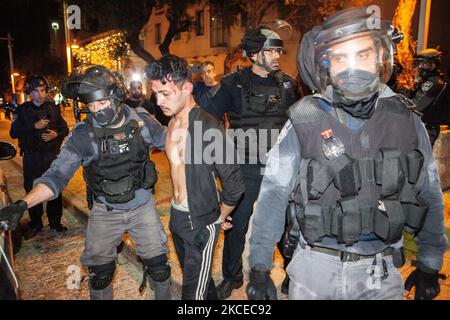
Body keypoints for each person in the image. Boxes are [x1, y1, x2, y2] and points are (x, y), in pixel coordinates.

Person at [247, 7, 448, 300]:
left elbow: (428, 192)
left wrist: (430, 262)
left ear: (380, 57)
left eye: (362, 55)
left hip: (379, 272)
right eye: (341, 57)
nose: (352, 67)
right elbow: (273, 194)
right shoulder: (304, 120)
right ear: (327, 65)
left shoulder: (405, 120)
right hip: (316, 269)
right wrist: (260, 266)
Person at [1, 65, 171, 300]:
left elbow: (174, 143)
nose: (96, 110)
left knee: (160, 268)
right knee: (100, 273)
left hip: (142, 207)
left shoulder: (140, 120)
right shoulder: (83, 134)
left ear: (116, 98)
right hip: (105, 211)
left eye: (101, 103)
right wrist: (22, 204)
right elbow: (56, 176)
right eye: (90, 106)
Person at [205, 20, 299, 299]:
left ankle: (293, 274)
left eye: (279, 52)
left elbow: (302, 122)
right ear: (254, 53)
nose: (277, 57)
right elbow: (208, 122)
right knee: (237, 224)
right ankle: (232, 277)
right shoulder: (232, 84)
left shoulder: (289, 84)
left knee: (287, 224)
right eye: (271, 52)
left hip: (280, 167)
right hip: (244, 166)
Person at [146, 55, 245, 300]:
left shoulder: (208, 127)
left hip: (201, 221)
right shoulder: (170, 123)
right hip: (177, 216)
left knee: (193, 296)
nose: (159, 101)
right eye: (156, 93)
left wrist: (217, 218)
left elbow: (234, 183)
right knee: (202, 284)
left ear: (187, 88)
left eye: (166, 93)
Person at [10, 75, 69, 238]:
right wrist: (33, 126)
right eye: (36, 91)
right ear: (30, 92)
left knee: (54, 189)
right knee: (32, 189)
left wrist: (55, 134)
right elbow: (13, 132)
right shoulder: (22, 110)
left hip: (51, 156)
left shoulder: (53, 108)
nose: (40, 94)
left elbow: (65, 130)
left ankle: (55, 223)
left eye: (42, 90)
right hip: (32, 157)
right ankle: (36, 224)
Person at [410, 49, 449, 147]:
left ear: (433, 65)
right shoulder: (433, 80)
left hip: (425, 129)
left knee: (416, 159)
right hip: (424, 128)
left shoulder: (433, 82)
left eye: (424, 64)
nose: (420, 67)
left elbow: (416, 107)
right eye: (419, 64)